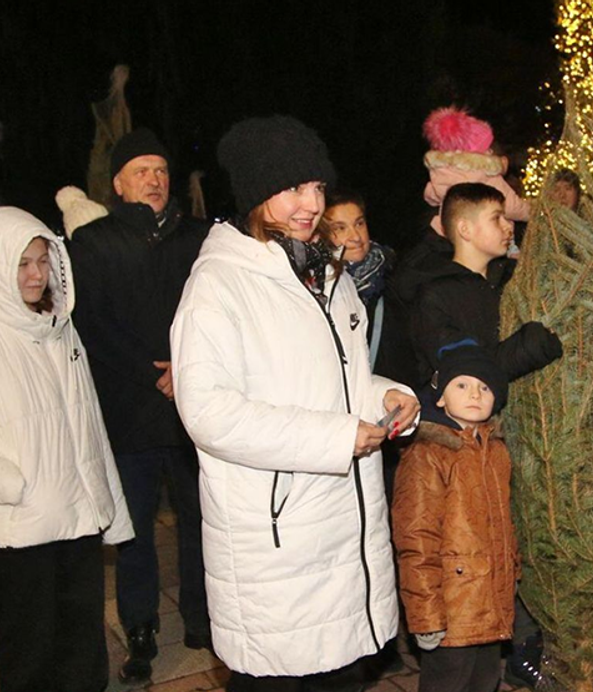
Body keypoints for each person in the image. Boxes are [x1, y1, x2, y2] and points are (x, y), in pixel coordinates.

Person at [170, 116, 420, 691]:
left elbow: (338, 376)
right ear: (258, 191)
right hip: (278, 537)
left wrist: (386, 394)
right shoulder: (219, 285)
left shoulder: (325, 274)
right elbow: (208, 412)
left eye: (318, 188)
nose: (312, 204)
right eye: (294, 188)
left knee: (339, 673)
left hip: (343, 523)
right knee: (279, 678)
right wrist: (333, 437)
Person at [0, 207, 134, 692]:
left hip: (75, 518)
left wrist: (106, 501)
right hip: (20, 532)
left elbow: (88, 426)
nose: (36, 274)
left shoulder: (59, 330)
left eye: (42, 260)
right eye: (22, 264)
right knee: (31, 655)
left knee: (82, 645)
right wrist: (12, 485)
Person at [68, 127, 213, 682]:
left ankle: (203, 617)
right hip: (129, 411)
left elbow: (216, 310)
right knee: (132, 533)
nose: (154, 180)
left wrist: (188, 367)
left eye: (161, 170)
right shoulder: (94, 243)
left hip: (193, 408)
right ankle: (141, 628)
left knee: (203, 522)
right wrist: (150, 373)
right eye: (141, 172)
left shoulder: (199, 238)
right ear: (119, 184)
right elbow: (90, 322)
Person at [392, 343, 516, 692]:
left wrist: (511, 576)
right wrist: (426, 615)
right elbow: (415, 538)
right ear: (441, 397)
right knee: (449, 682)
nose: (474, 393)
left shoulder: (497, 451)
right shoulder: (428, 455)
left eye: (485, 387)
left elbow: (505, 525)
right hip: (450, 607)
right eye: (462, 385)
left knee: (485, 680)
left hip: (491, 601)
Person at [411, 182, 562, 389]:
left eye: (507, 218)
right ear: (465, 229)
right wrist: (533, 345)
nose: (509, 226)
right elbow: (464, 370)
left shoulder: (513, 279)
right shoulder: (434, 296)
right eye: (496, 218)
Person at [422, 106, 531, 238]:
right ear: (477, 154)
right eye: (487, 148)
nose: (491, 152)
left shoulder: (443, 172)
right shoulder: (485, 175)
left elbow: (431, 194)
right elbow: (511, 207)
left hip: (448, 234)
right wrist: (534, 212)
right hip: (486, 237)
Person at [323, 189, 396, 369]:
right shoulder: (317, 290)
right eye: (340, 228)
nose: (355, 237)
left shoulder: (397, 276)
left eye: (359, 224)